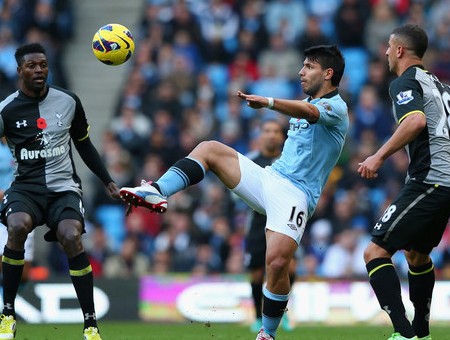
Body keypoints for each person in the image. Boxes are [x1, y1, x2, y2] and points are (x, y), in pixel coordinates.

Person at [120, 44, 348, 340]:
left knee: (277, 264)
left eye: (308, 67)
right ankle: (157, 190)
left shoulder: (337, 107)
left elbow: (309, 111)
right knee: (209, 148)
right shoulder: (305, 103)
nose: (301, 71)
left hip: (297, 194)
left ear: (328, 73)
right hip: (270, 178)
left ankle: (267, 332)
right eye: (302, 65)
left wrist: (267, 101)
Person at [0, 43, 120, 340]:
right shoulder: (6, 110)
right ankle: (7, 314)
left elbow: (84, 143)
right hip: (25, 189)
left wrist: (108, 181)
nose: (39, 70)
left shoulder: (69, 101)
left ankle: (90, 324)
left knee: (70, 236)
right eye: (32, 66)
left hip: (64, 188)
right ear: (19, 71)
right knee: (16, 227)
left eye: (43, 64)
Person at [358, 24, 450, 340]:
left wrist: (378, 156)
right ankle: (422, 334)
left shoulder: (405, 82)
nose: (384, 52)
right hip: (444, 182)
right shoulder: (442, 86)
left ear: (399, 50)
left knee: (375, 252)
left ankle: (404, 333)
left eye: (388, 46)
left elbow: (415, 121)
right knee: (417, 256)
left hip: (430, 181)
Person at [242, 118, 296, 332]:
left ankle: (280, 313)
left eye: (275, 131)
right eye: (267, 130)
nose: (272, 134)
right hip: (257, 221)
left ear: (282, 137)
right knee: (256, 273)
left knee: (288, 268)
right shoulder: (250, 160)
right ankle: (257, 317)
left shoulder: (289, 160)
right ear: (260, 135)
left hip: (285, 218)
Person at [0, 140, 35, 285]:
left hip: (23, 210)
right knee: (5, 265)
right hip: (1, 212)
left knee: (24, 272)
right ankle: (5, 302)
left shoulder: (26, 144)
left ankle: (11, 301)